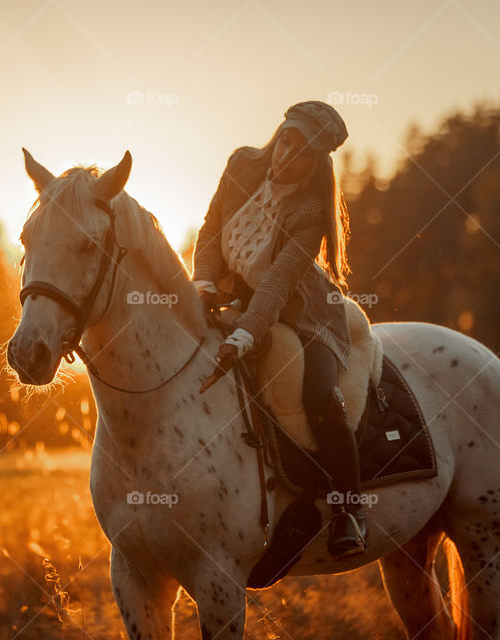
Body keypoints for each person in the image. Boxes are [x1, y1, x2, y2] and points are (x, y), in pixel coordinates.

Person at [192, 101, 367, 560]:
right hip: (240, 299)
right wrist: (205, 281)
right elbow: (210, 229)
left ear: (318, 162)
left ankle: (350, 508)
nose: (286, 155)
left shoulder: (310, 211)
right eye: (285, 139)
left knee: (318, 397)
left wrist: (245, 334)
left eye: (302, 151)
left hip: (306, 310)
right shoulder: (241, 164)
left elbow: (277, 282)